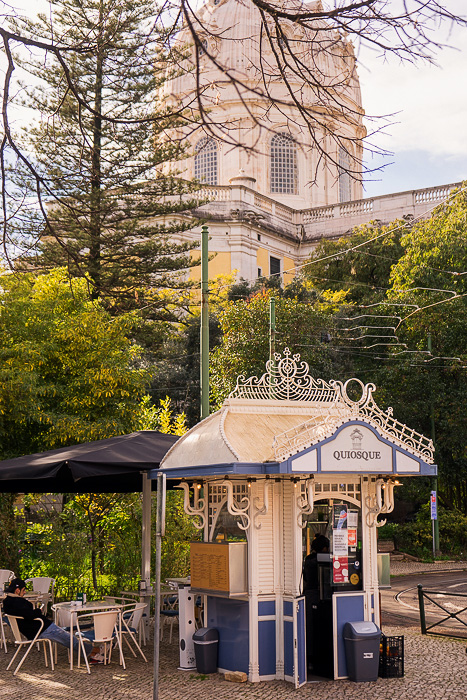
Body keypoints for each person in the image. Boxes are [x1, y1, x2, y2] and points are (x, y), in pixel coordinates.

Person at [3, 578, 104, 664]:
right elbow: (30, 615)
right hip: (41, 629)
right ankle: (95, 651)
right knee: (71, 640)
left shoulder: (7, 602)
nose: (24, 592)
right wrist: (39, 610)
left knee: (70, 639)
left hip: (36, 629)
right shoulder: (18, 602)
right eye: (23, 590)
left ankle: (94, 652)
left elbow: (25, 614)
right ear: (17, 590)